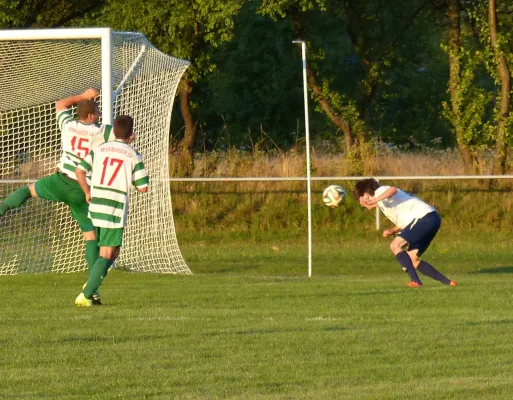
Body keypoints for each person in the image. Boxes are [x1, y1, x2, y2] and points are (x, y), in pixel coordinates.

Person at [0, 88, 114, 303]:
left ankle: (1, 209)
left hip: (60, 181)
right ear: (91, 116)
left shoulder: (68, 125)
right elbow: (121, 134)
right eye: (97, 111)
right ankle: (92, 289)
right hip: (82, 188)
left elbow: (60, 104)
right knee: (90, 236)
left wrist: (83, 96)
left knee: (28, 190)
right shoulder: (102, 132)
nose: (99, 115)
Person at [74, 115, 149, 307]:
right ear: (131, 133)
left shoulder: (99, 149)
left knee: (111, 252)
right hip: (113, 207)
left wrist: (87, 192)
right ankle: (86, 295)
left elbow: (80, 170)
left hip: (96, 203)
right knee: (108, 253)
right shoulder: (132, 154)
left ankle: (91, 283)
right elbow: (143, 187)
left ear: (113, 131)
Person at [354, 178, 457, 288]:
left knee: (395, 245)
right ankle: (449, 283)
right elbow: (405, 222)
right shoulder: (387, 205)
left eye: (361, 198)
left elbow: (393, 190)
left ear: (366, 193)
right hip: (431, 219)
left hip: (424, 217)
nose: (362, 203)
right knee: (412, 260)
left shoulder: (380, 191)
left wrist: (373, 201)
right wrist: (393, 230)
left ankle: (416, 282)